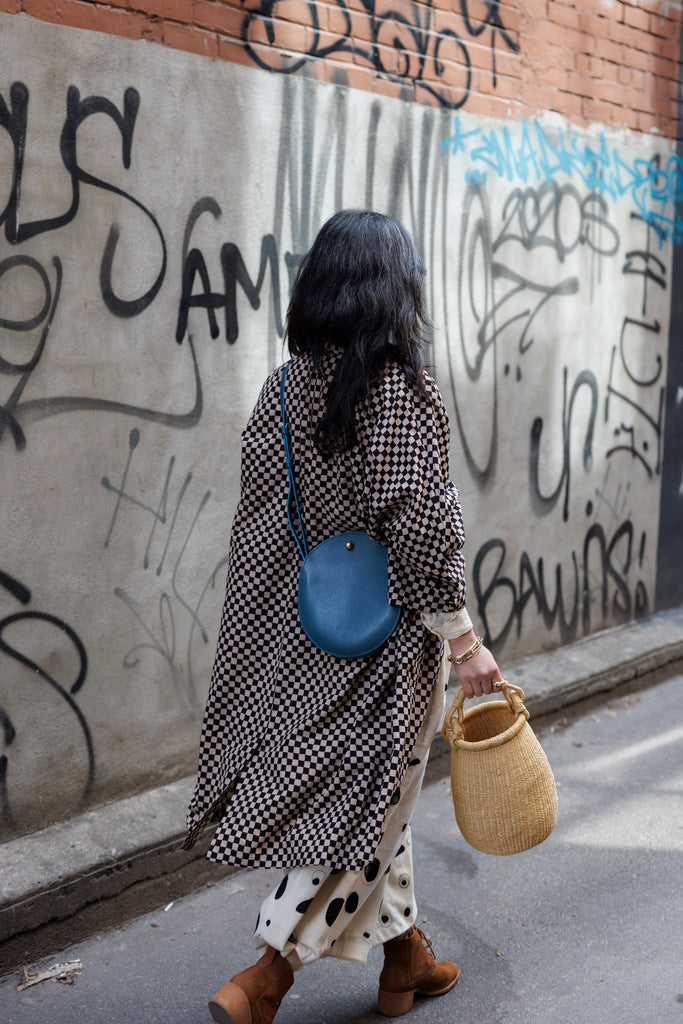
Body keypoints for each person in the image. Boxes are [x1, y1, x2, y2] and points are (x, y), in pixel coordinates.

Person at [184, 209, 503, 1024]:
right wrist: (463, 641)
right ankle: (266, 975)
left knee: (373, 798)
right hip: (387, 639)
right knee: (366, 801)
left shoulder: (284, 387)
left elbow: (262, 517)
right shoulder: (394, 387)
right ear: (391, 290)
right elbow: (421, 520)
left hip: (307, 629)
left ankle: (405, 962)